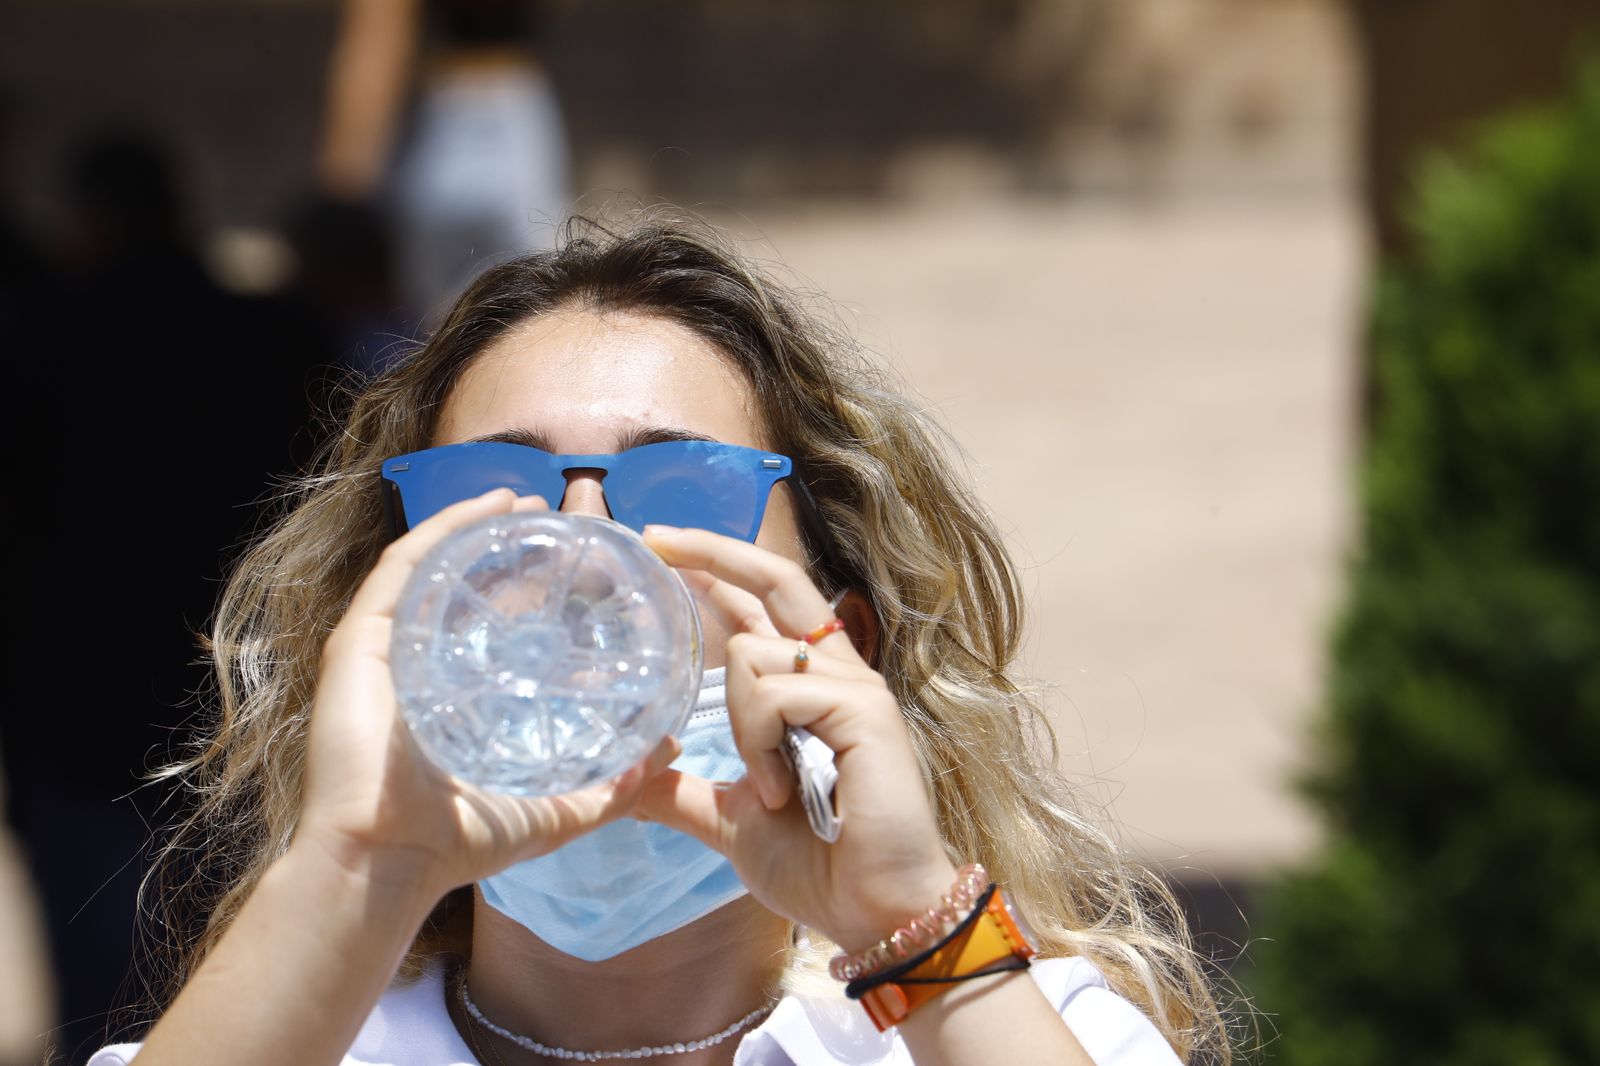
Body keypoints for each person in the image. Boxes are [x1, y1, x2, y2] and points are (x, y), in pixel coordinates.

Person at [90, 215, 1231, 1065]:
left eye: (681, 491)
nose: (583, 551)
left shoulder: (999, 1025)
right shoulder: (278, 1037)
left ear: (841, 637)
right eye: (492, 495)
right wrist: (352, 870)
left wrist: (908, 926)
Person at [317, 0, 571, 324]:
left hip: (475, 111)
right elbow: (375, 44)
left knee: (531, 301)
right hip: (465, 115)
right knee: (523, 305)